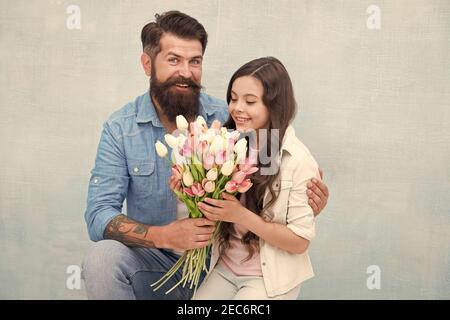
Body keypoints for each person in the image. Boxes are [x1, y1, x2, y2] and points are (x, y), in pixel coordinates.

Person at [82, 11, 329, 300]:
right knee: (101, 258)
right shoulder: (120, 129)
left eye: (195, 61)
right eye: (173, 60)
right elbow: (99, 215)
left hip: (217, 267)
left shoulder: (230, 119)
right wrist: (163, 236)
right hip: (156, 266)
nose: (186, 72)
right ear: (147, 64)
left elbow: (278, 173)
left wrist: (306, 199)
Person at [187, 57, 320, 299]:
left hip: (268, 278)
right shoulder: (227, 143)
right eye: (234, 98)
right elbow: (212, 210)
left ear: (274, 106)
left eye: (250, 101)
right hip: (226, 268)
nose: (237, 108)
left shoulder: (296, 159)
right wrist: (188, 187)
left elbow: (300, 241)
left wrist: (240, 215)